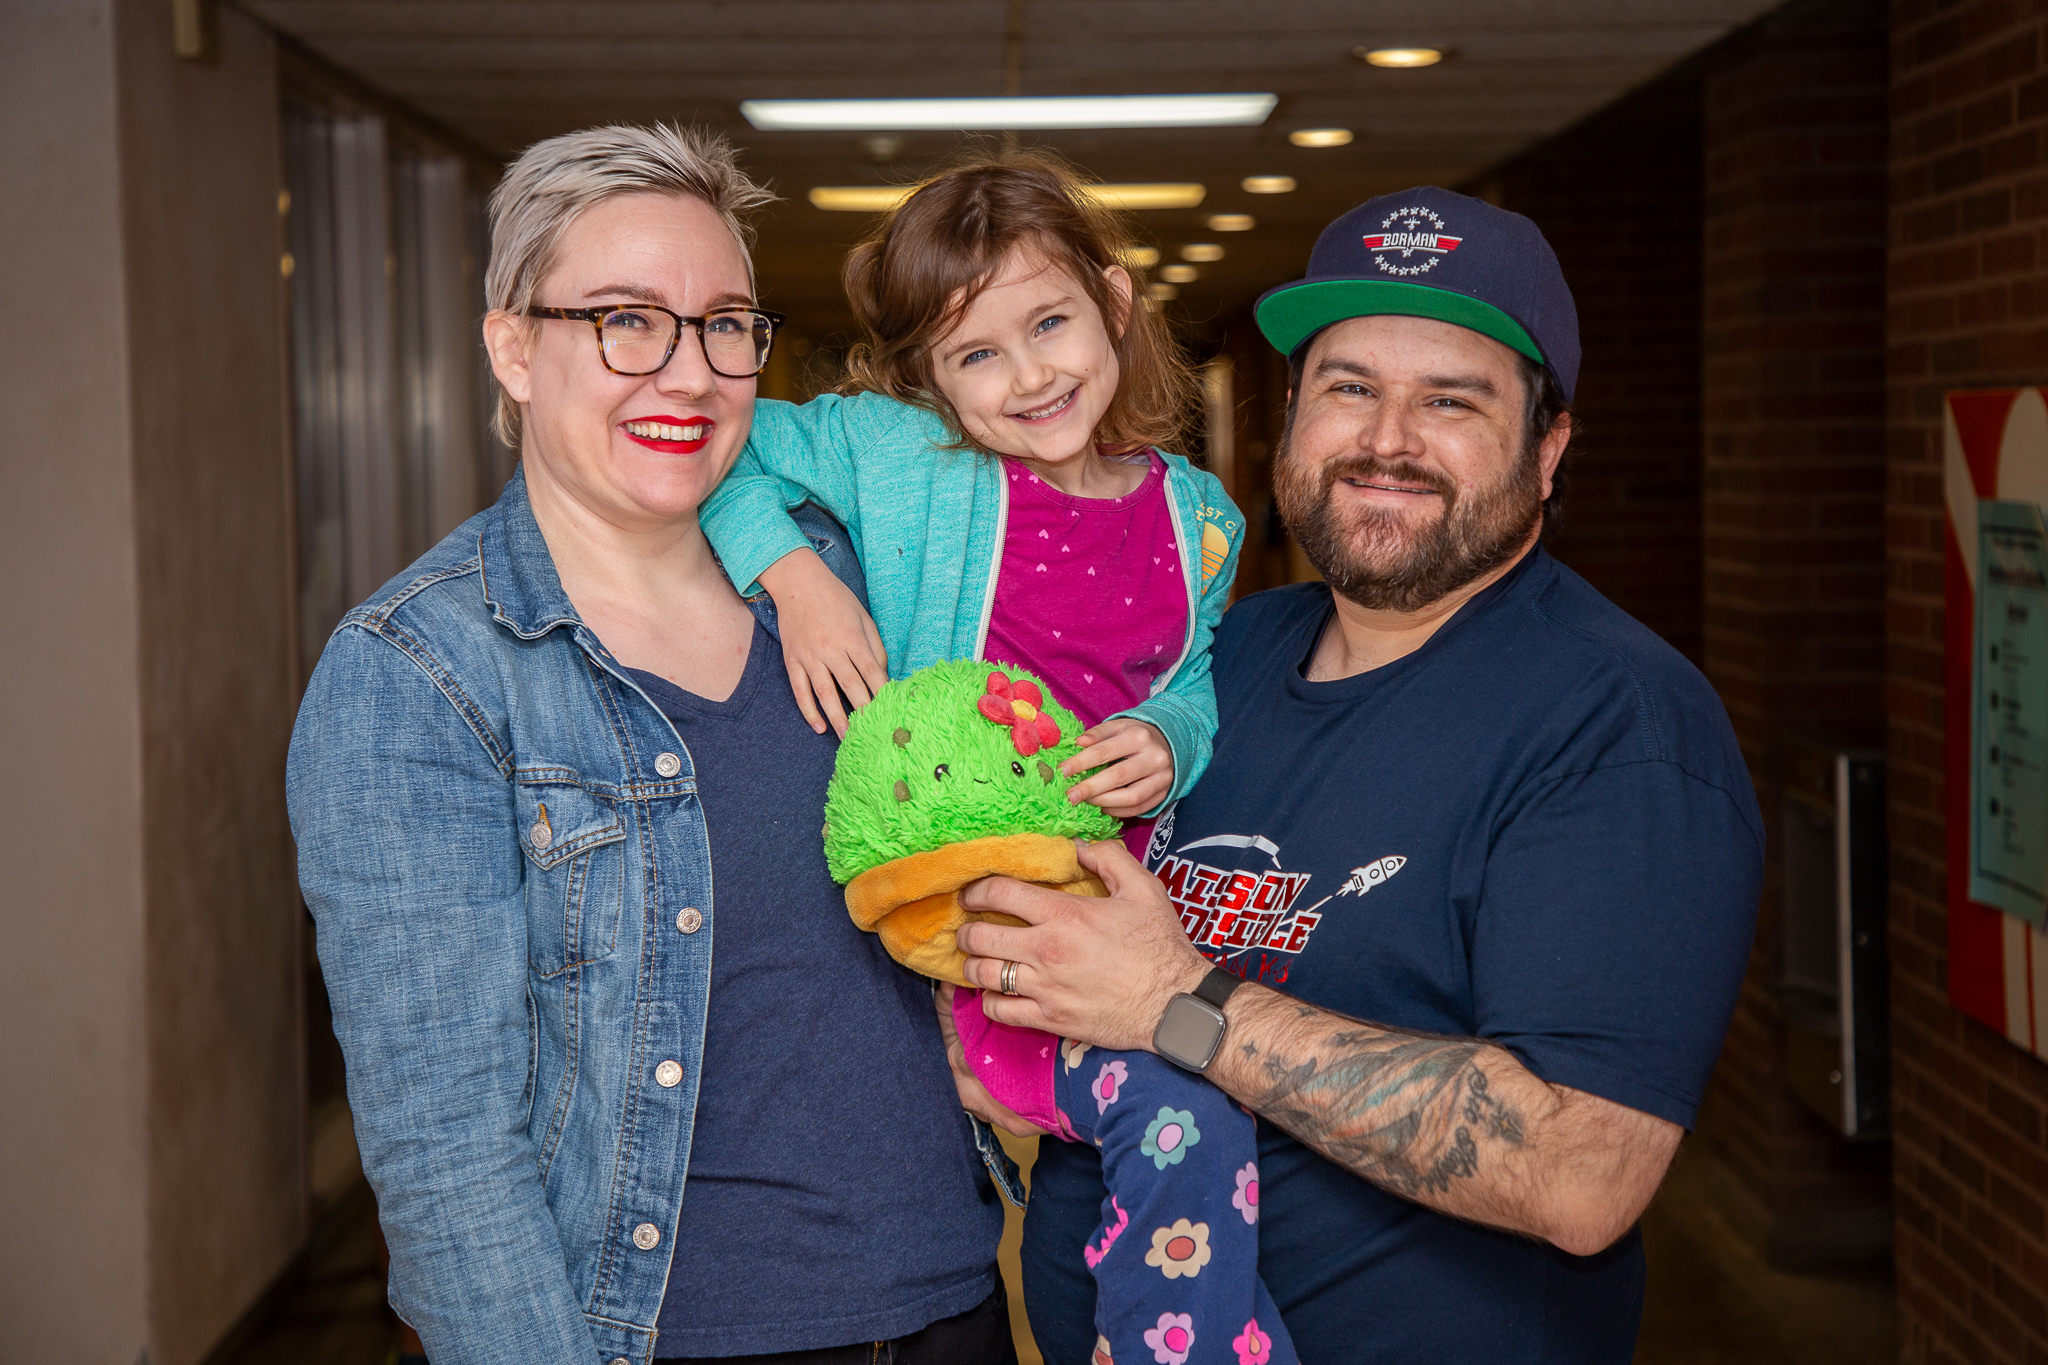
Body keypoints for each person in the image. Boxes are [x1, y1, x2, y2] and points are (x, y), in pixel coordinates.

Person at [951, 187, 1765, 1364]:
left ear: (1547, 449)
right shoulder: (1215, 654)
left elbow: (1581, 1172)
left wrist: (1176, 1005)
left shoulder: (1613, 725)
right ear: (1290, 422)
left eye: (1450, 400)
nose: (1387, 440)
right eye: (1349, 389)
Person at [286, 124, 1012, 1365]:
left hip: (952, 1296)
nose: (687, 374)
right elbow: (444, 1149)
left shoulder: (846, 580)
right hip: (670, 1334)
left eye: (724, 323)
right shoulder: (420, 671)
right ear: (513, 348)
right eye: (625, 318)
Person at [698, 155, 1296, 1365]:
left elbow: (1188, 685)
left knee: (1230, 1100)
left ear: (1114, 307)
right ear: (927, 379)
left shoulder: (1198, 516)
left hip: (1125, 918)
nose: (1028, 376)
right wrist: (796, 578)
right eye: (976, 355)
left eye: (1049, 323)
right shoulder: (899, 457)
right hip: (987, 931)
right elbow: (719, 445)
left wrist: (1165, 740)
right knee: (1190, 1114)